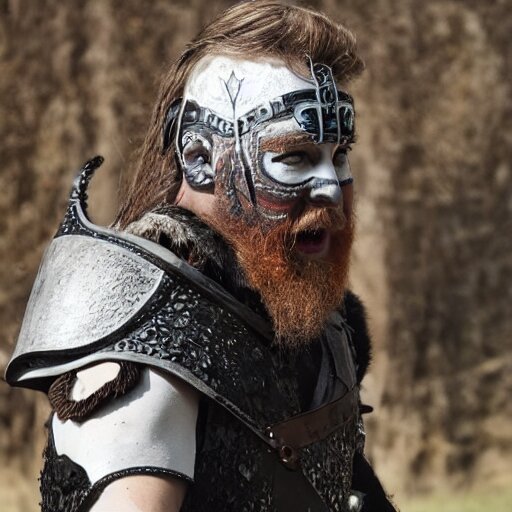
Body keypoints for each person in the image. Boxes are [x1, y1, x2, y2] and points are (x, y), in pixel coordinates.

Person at [6, 2, 397, 511]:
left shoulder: (307, 320)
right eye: (295, 157)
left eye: (339, 154)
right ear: (200, 160)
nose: (330, 187)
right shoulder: (151, 339)